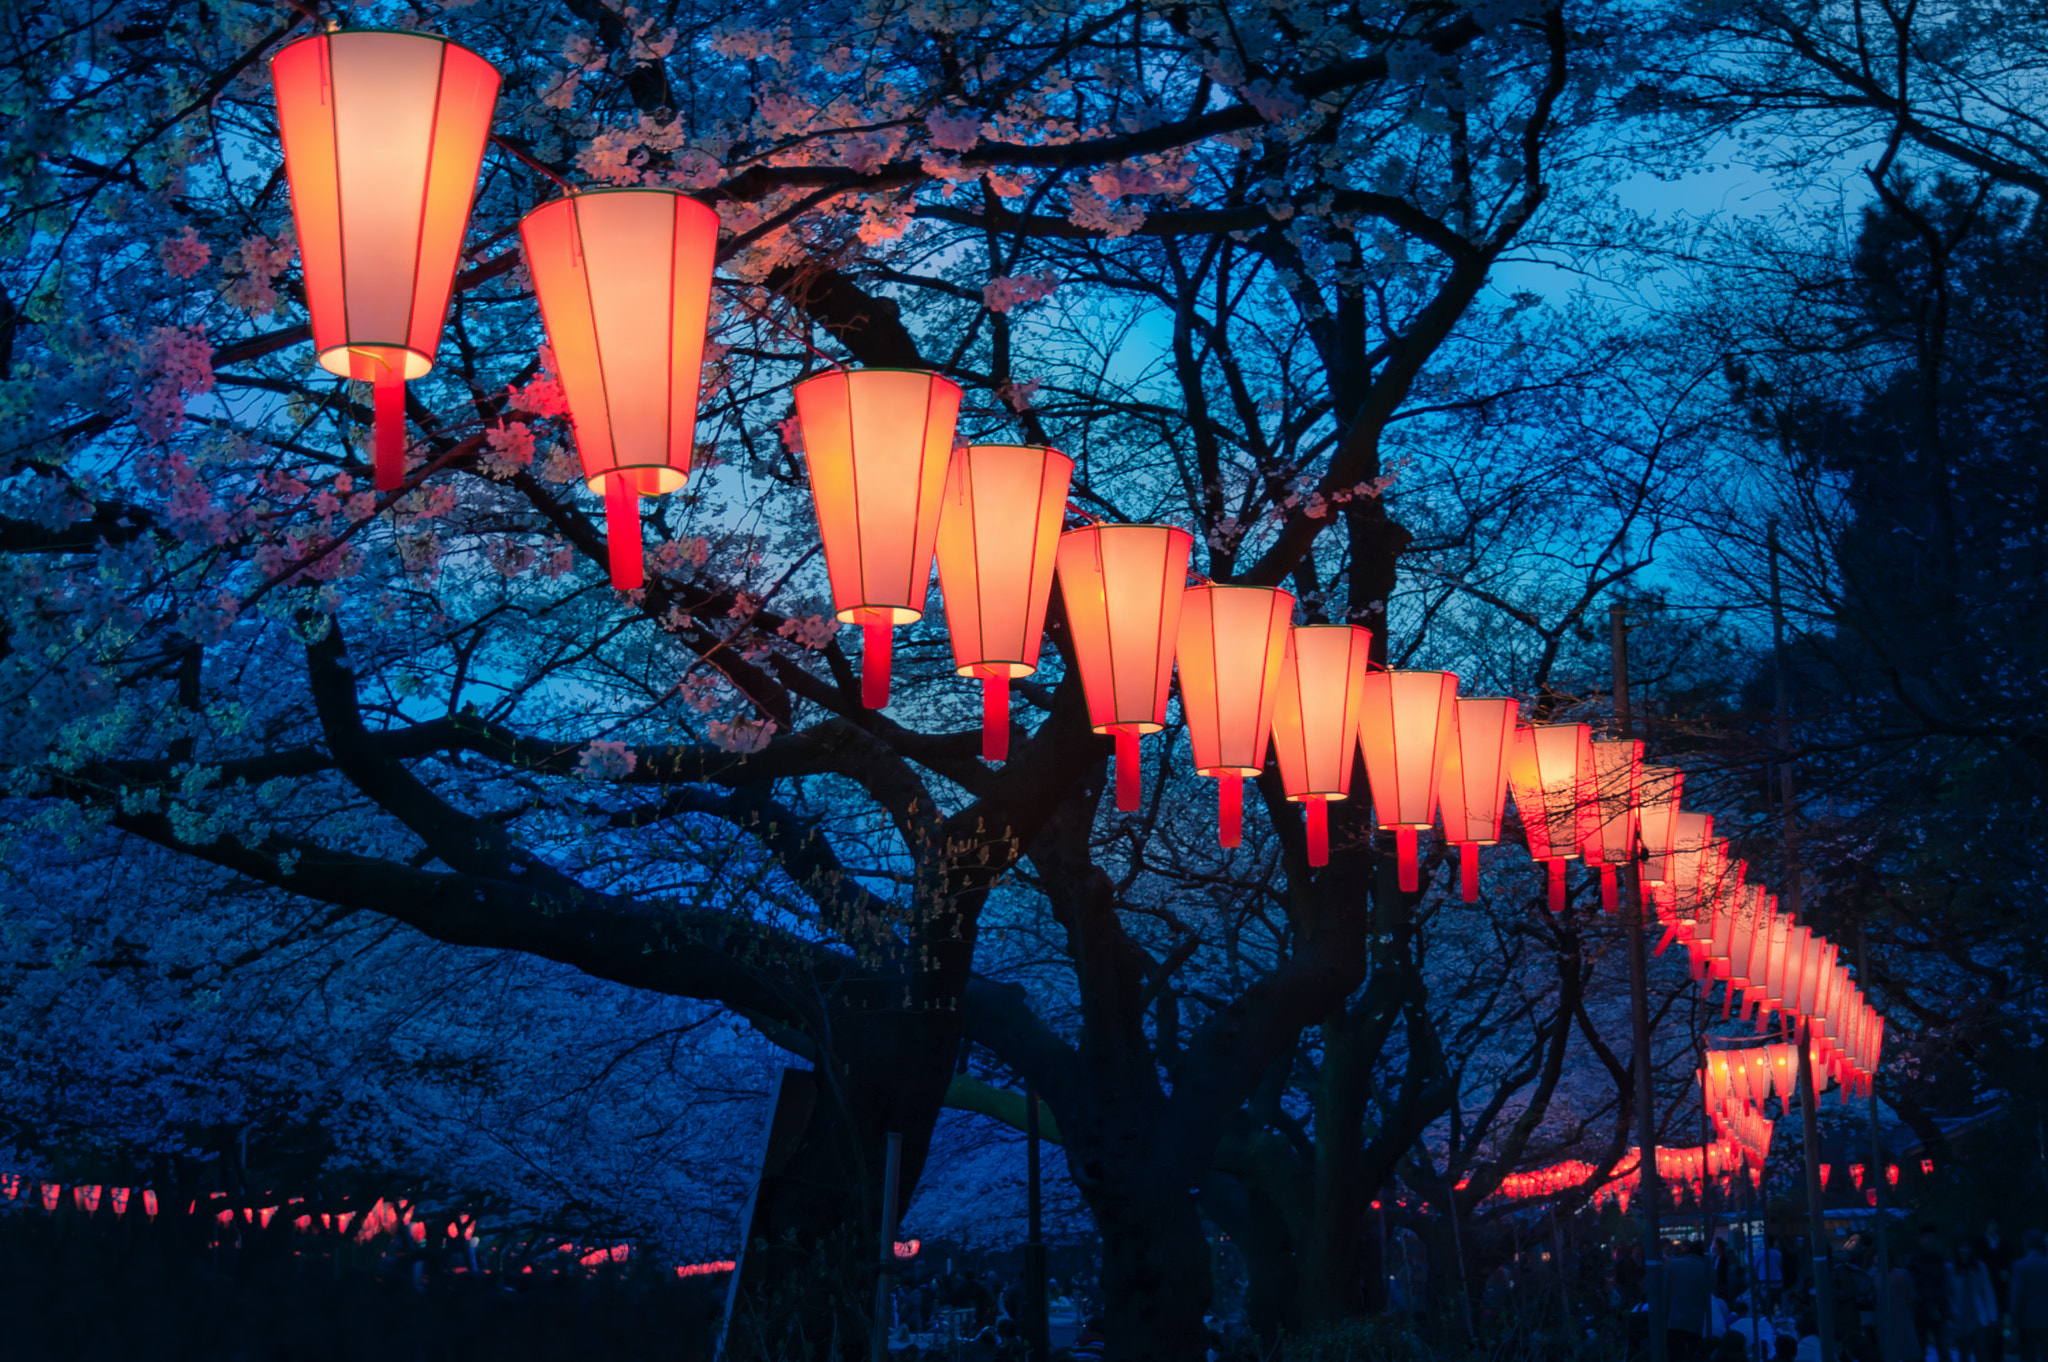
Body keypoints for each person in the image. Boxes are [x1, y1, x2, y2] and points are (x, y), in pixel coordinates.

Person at [1909, 1226, 1955, 1362]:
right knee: (1921, 1348)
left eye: (1933, 1238)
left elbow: (1942, 1284)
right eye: (1928, 1238)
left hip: (1938, 1308)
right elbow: (1917, 1286)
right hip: (1921, 1310)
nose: (1931, 1241)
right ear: (1921, 1239)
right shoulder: (1915, 1259)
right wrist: (1930, 1306)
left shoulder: (1937, 1258)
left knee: (1942, 1347)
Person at [1669, 1240, 1717, 1362]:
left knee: (1675, 1356)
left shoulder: (1673, 1265)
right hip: (1697, 1322)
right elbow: (1711, 1296)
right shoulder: (1709, 1270)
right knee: (1695, 1356)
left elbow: (1666, 1292)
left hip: (1674, 1321)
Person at [1979, 1224, 2019, 1362]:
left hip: (2000, 1292)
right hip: (1987, 1292)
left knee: (1999, 1328)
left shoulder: (2004, 1244)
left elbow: (2010, 1262)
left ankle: (1997, 1355)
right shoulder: (1980, 1244)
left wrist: (2006, 1273)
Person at [1953, 1241, 2000, 1362]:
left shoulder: (1980, 1268)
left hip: (1978, 1316)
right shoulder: (1952, 1269)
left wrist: (1992, 1318)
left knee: (1981, 1350)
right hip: (1961, 1316)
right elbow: (1950, 1293)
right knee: (1964, 1351)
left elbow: (1987, 1291)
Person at [2013, 1231, 2048, 1362]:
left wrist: (2014, 1321)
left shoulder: (2020, 1266)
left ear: (2026, 1244)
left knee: (2028, 1357)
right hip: (2046, 1322)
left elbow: (2017, 1297)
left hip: (2027, 1322)